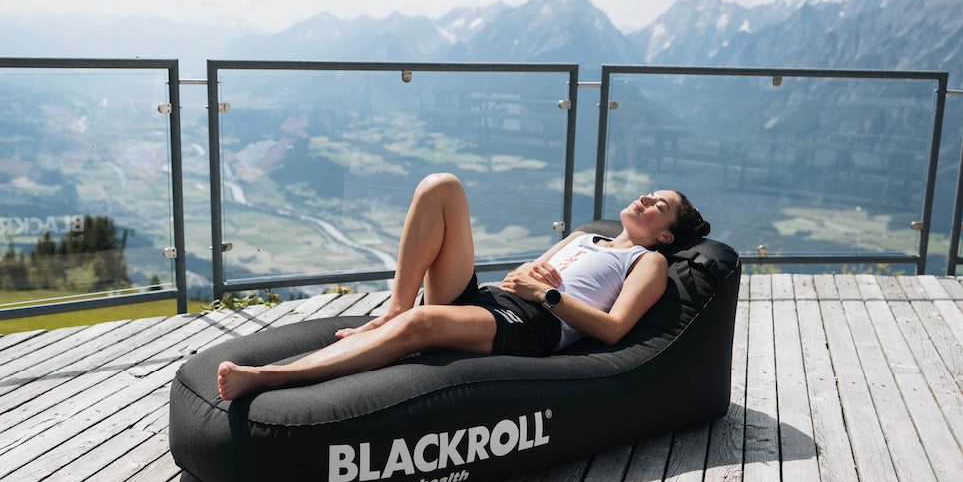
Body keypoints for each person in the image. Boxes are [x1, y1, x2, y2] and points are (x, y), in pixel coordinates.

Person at [217, 172, 709, 401]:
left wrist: (547, 296)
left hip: (530, 325)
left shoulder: (647, 262)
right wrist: (527, 275)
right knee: (440, 186)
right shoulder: (586, 236)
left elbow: (614, 330)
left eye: (659, 204)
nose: (646, 197)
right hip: (495, 300)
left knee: (427, 321)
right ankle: (395, 308)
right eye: (650, 193)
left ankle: (276, 379)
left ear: (666, 235)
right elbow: (527, 272)